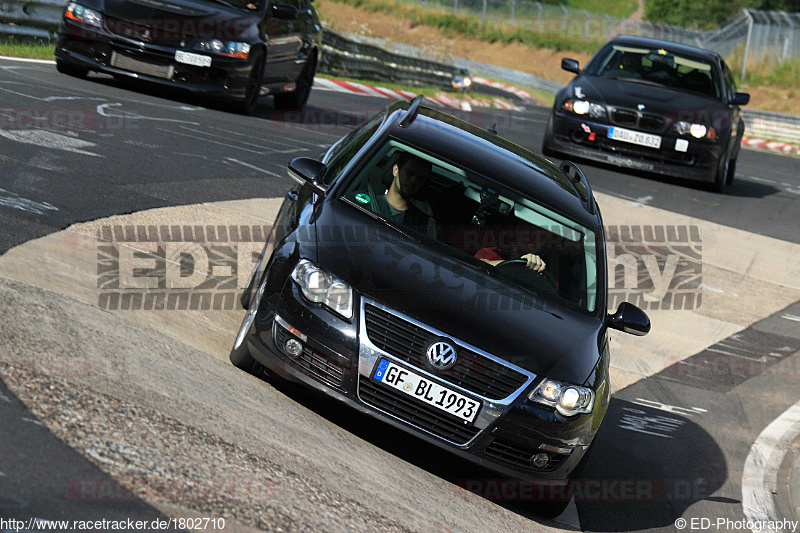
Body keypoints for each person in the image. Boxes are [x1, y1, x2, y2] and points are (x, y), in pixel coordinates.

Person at [349, 152, 437, 239]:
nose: (413, 180)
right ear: (395, 170)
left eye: (420, 178)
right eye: (409, 173)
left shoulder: (425, 224)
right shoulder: (361, 201)